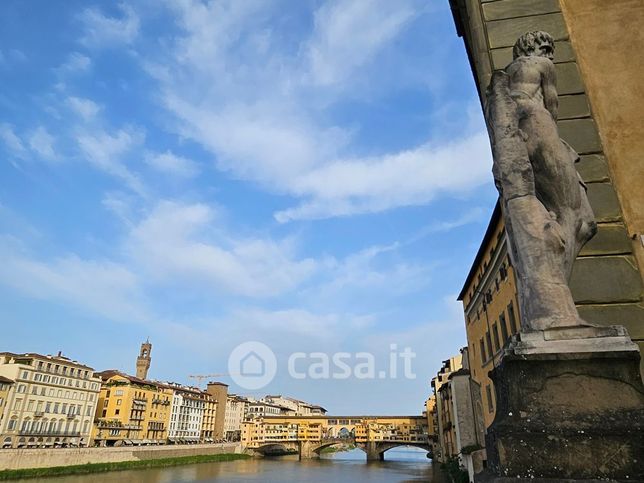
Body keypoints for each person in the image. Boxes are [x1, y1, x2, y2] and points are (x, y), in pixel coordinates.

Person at [485, 31, 596, 331]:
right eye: (548, 48)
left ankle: (553, 305)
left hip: (515, 130)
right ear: (537, 48)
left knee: (562, 216)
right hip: (538, 121)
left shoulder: (507, 74)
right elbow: (552, 105)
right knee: (576, 216)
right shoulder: (542, 65)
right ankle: (560, 308)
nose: (550, 54)